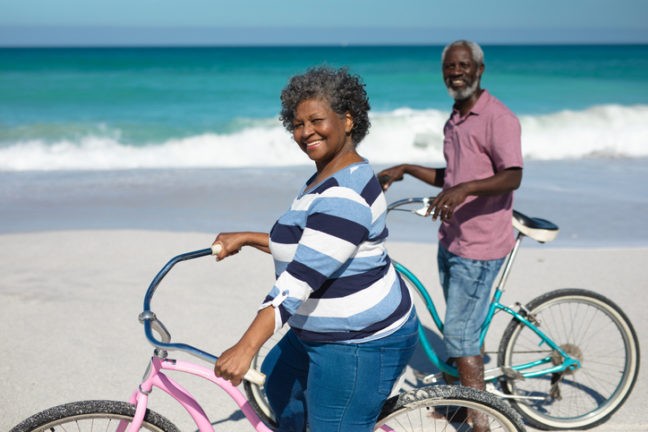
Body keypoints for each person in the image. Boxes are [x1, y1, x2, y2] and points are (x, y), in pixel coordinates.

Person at [212, 66, 419, 432]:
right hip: (316, 331)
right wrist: (247, 237)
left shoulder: (345, 195)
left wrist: (245, 347)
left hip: (357, 342)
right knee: (278, 381)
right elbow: (313, 244)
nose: (305, 132)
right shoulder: (328, 174)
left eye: (316, 120)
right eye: (297, 124)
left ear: (348, 120)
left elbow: (299, 280)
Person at [378, 40, 523, 408]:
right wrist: (408, 168)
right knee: (459, 327)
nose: (456, 72)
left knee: (458, 335)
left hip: (481, 244)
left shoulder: (498, 118)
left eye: (463, 66)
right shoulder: (455, 118)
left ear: (479, 70)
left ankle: (481, 420)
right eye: (450, 67)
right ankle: (458, 401)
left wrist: (467, 189)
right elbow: (454, 175)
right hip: (452, 239)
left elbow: (512, 176)